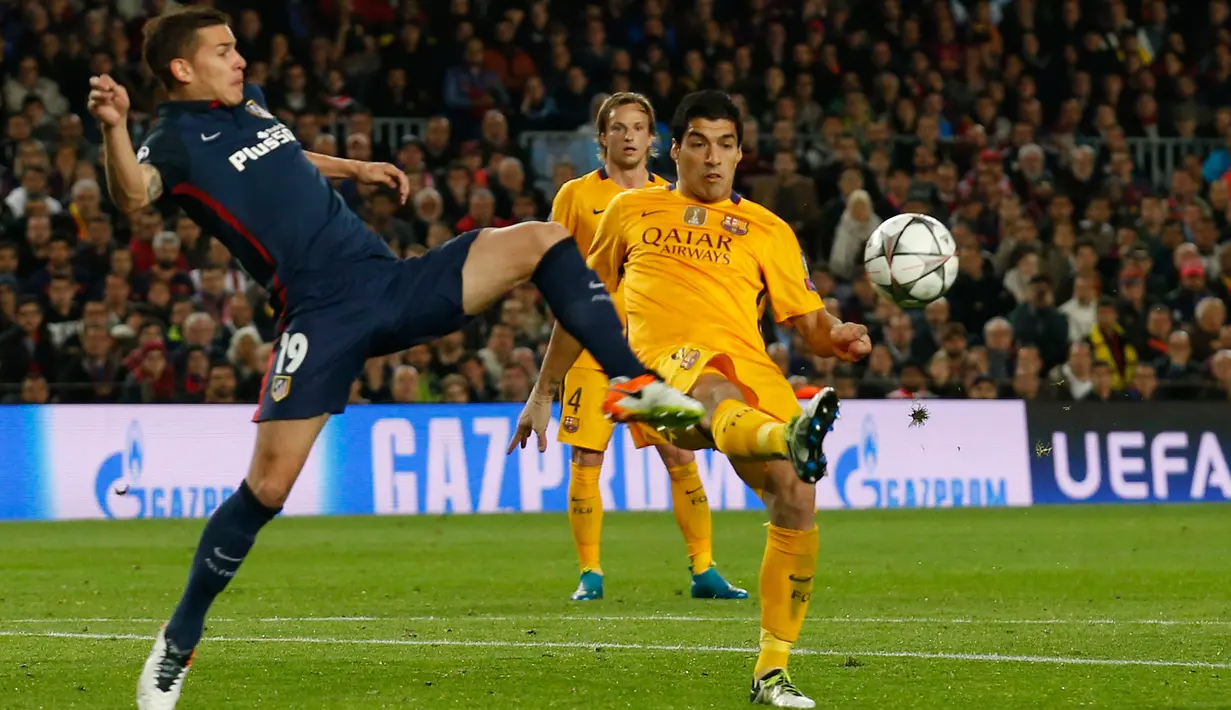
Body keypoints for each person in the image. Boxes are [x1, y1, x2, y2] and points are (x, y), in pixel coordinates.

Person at [95, 9, 703, 709]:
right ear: (181, 68)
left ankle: (634, 382)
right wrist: (113, 125)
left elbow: (281, 157)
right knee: (266, 490)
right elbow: (135, 195)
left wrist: (355, 167)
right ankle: (179, 638)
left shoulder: (249, 105)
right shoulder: (172, 139)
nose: (240, 59)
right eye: (224, 51)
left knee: (540, 239)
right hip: (319, 317)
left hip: (388, 282)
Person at [510, 90, 872, 708]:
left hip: (752, 371)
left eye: (726, 145)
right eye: (699, 143)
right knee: (713, 388)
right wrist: (544, 390)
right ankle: (787, 437)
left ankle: (772, 674)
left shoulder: (769, 229)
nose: (713, 158)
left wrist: (838, 335)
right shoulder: (631, 209)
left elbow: (809, 321)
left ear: (739, 154)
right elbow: (581, 306)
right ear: (673, 150)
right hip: (657, 376)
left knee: (797, 495)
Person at [539, 91, 745, 602]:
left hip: (653, 347)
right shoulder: (575, 196)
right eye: (618, 128)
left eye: (638, 128)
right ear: (602, 138)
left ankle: (704, 569)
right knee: (587, 458)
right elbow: (557, 266)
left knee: (679, 453)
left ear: (653, 141)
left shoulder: (672, 196)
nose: (629, 136)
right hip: (591, 347)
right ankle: (590, 574)